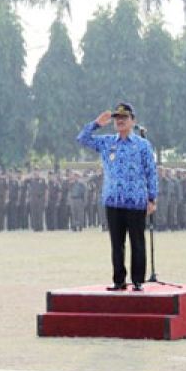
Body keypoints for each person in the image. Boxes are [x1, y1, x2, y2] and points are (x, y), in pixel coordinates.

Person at [76, 102, 158, 291]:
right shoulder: (107, 142)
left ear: (133, 121)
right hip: (113, 201)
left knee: (137, 242)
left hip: (136, 201)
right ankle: (119, 280)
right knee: (116, 244)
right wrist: (96, 124)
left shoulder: (143, 145)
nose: (120, 121)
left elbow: (151, 172)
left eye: (124, 118)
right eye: (117, 118)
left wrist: (152, 198)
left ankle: (138, 281)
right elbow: (82, 139)